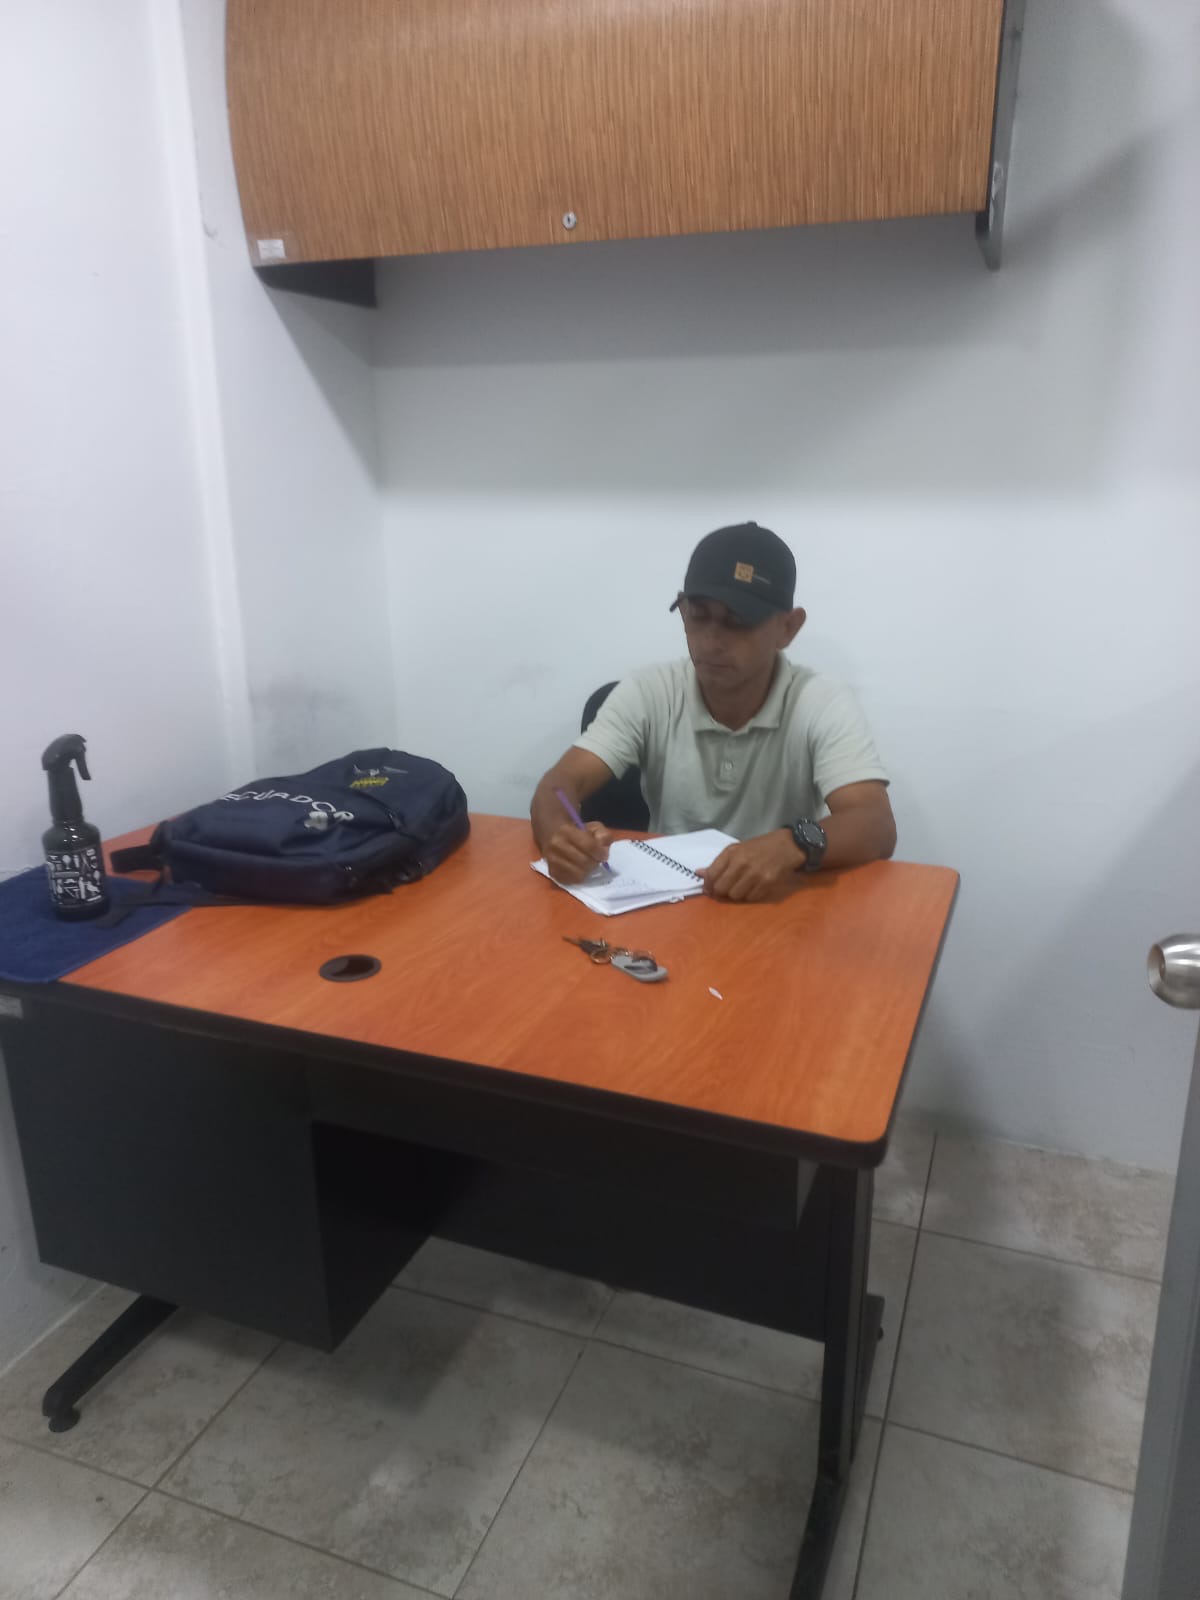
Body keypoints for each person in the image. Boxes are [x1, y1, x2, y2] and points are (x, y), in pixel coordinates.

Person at [530, 521, 896, 902]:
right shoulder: (650, 691)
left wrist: (792, 844)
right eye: (698, 615)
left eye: (738, 622)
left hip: (773, 904)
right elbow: (559, 784)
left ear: (788, 628)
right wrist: (559, 835)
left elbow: (876, 823)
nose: (711, 641)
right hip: (662, 902)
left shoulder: (820, 701)